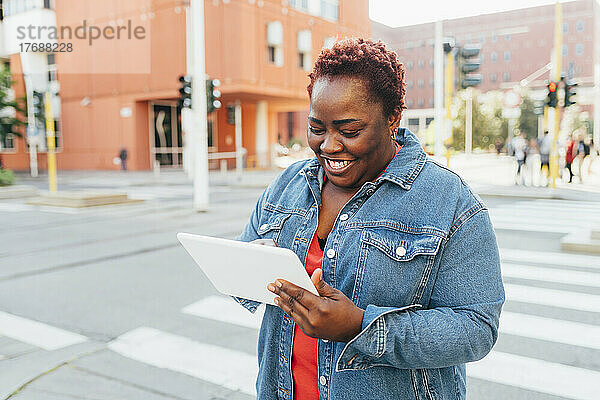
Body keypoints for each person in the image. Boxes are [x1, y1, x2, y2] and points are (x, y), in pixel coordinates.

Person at [236, 38, 504, 400]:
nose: (329, 146)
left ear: (392, 119)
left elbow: (476, 329)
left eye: (349, 131)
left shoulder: (449, 201)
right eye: (317, 128)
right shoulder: (288, 184)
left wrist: (360, 326)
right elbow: (241, 273)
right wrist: (253, 265)